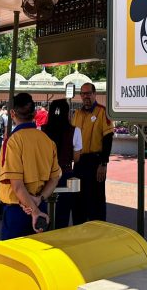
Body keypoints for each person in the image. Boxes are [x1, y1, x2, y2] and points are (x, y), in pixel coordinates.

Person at [0, 93, 61, 240]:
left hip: (18, 210)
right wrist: (39, 199)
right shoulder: (47, 141)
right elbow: (55, 178)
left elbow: (17, 186)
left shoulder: (13, 141)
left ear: (12, 113)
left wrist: (34, 211)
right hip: (40, 205)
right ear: (34, 114)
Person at [72, 83, 114, 224]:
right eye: (83, 94)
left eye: (89, 93)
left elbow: (108, 138)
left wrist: (103, 163)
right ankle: (79, 229)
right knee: (78, 200)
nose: (86, 96)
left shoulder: (102, 112)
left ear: (95, 94)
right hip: (79, 162)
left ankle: (98, 231)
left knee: (96, 201)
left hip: (95, 162)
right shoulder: (77, 114)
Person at [42, 98, 82, 228]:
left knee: (43, 210)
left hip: (45, 174)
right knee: (63, 214)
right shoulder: (75, 131)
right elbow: (76, 158)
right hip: (65, 173)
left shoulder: (42, 130)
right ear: (67, 113)